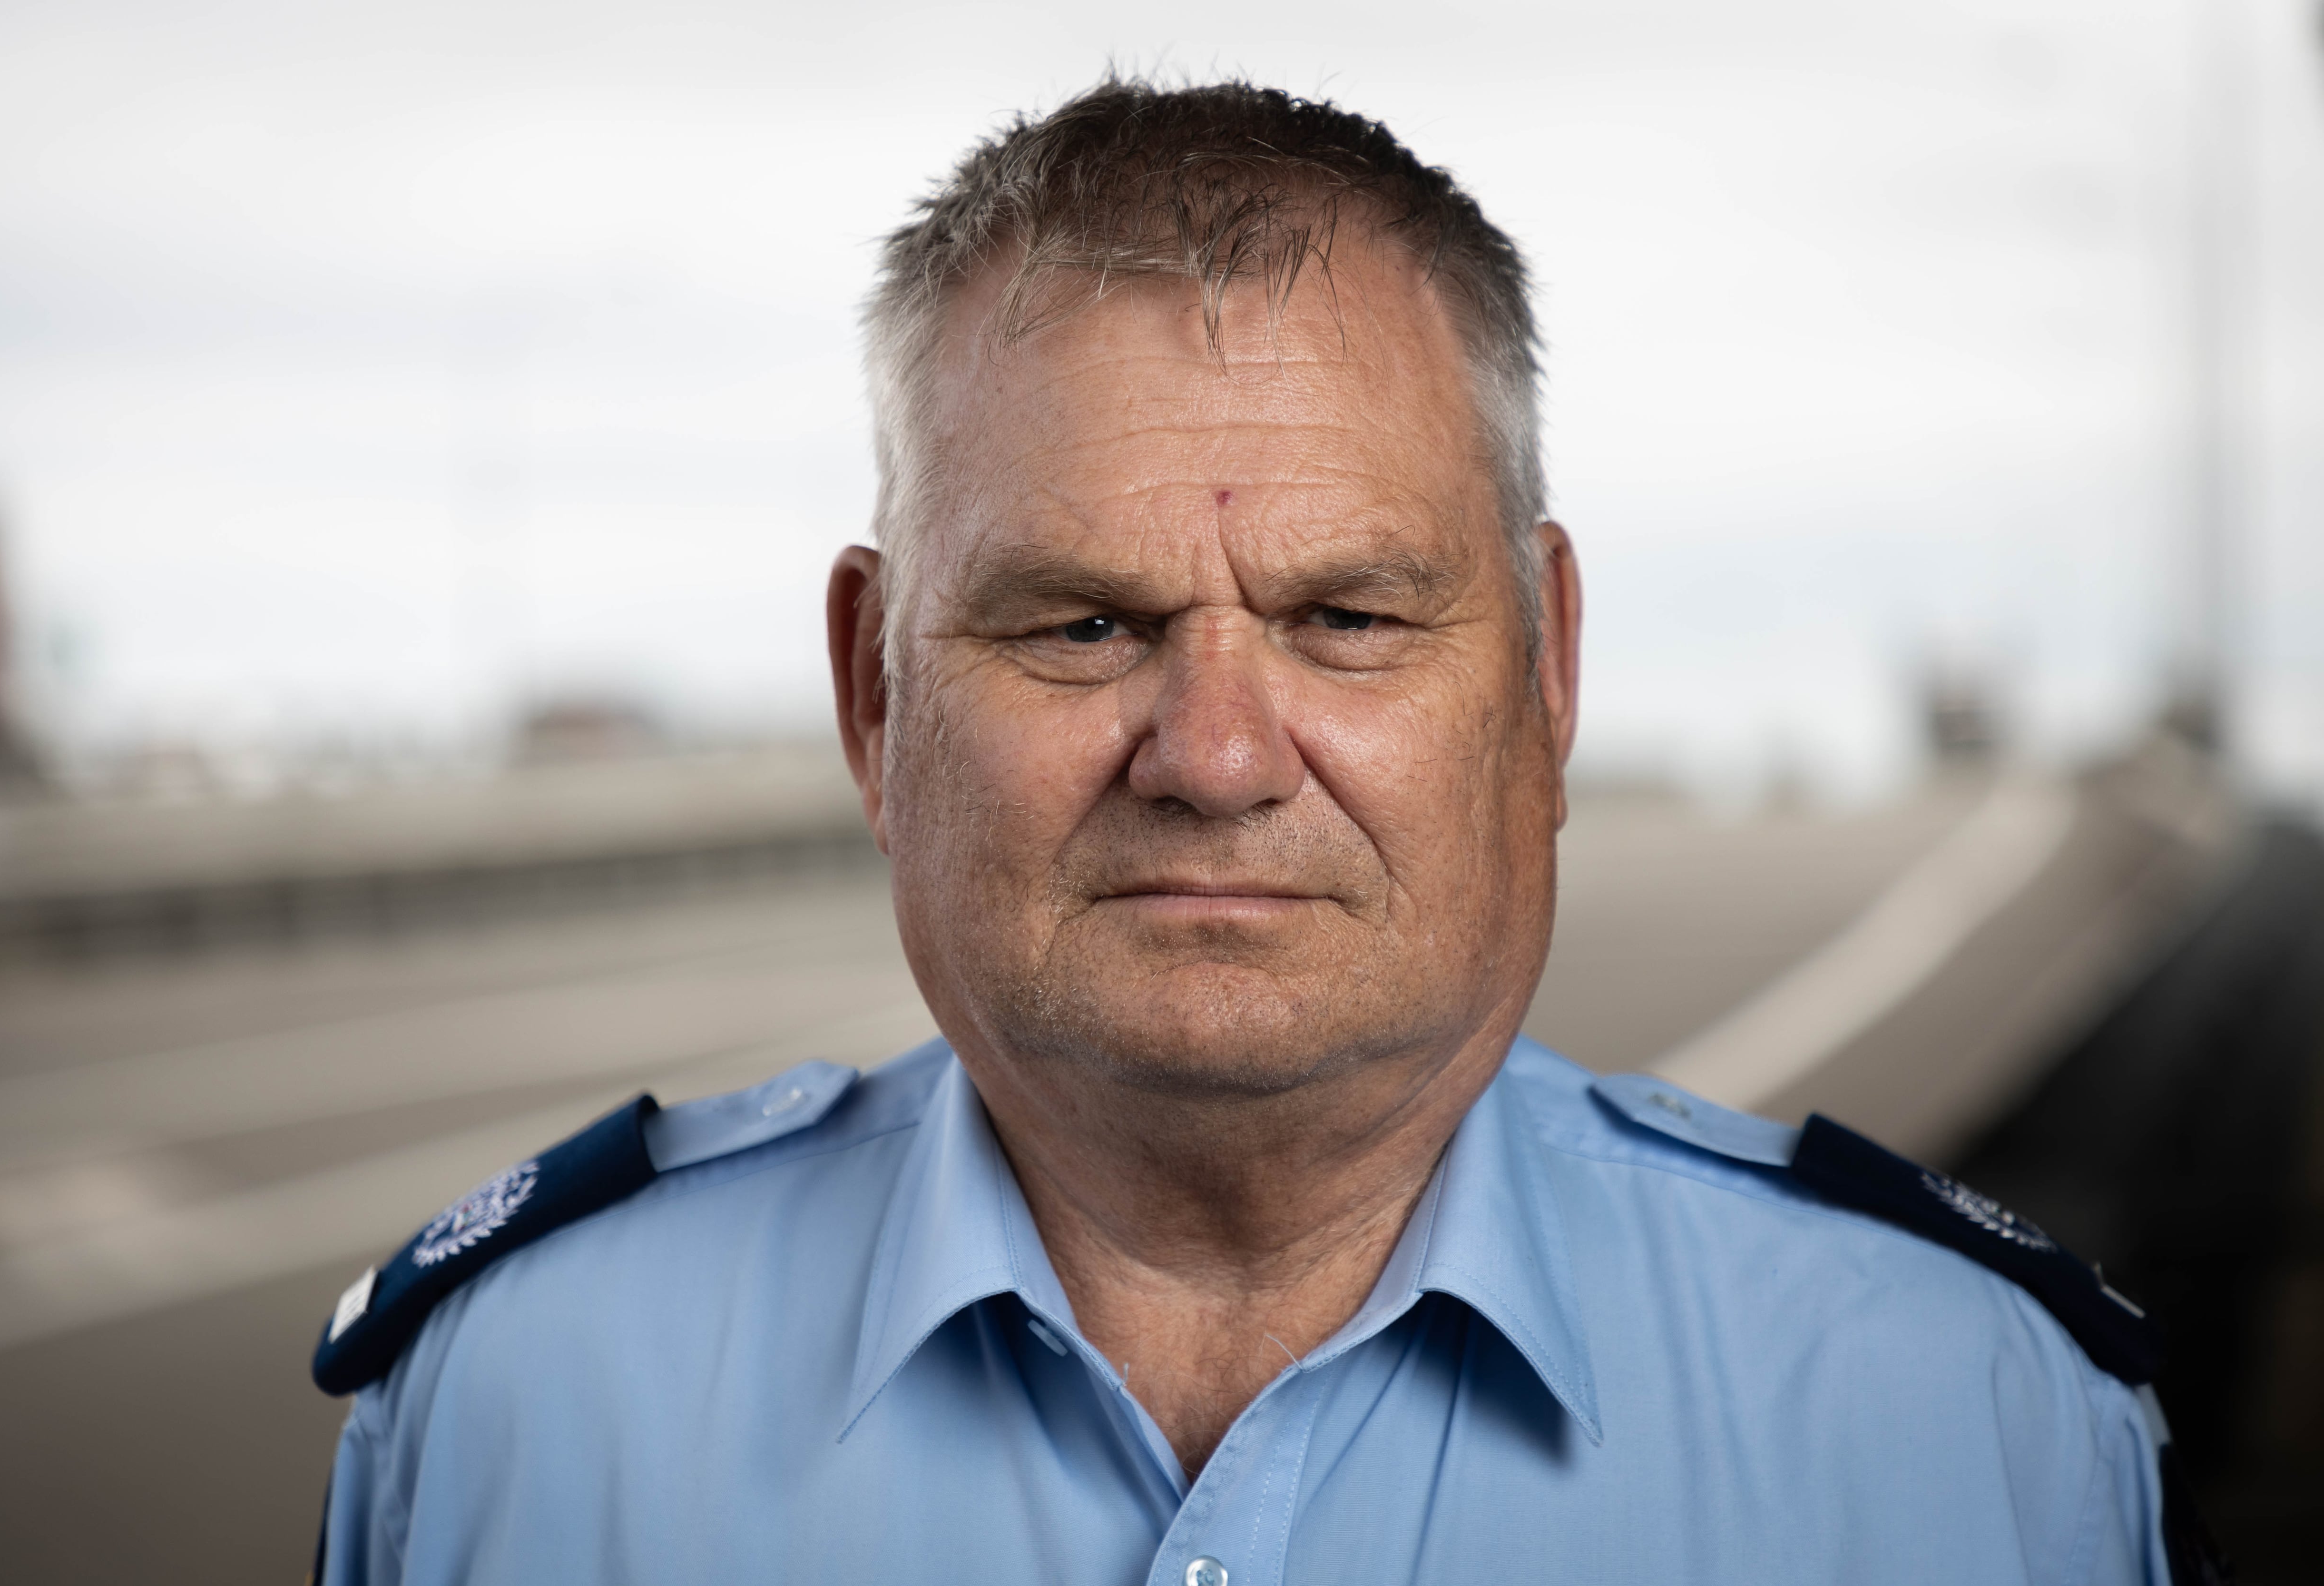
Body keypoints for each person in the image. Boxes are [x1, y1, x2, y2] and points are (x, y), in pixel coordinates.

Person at [309, 79, 2213, 1585]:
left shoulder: (1969, 1423)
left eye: (1348, 620)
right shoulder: (505, 1416)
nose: (1213, 755)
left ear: (1546, 677)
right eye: (1078, 625)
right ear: (873, 696)